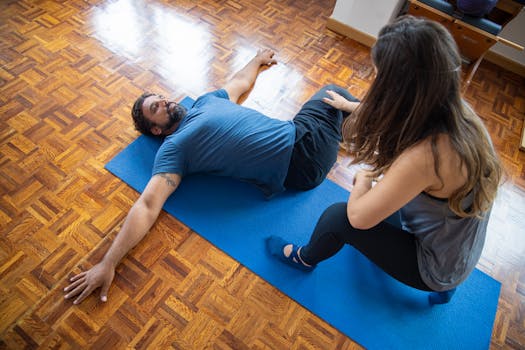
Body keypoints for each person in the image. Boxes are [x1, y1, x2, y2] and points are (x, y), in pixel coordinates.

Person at [63, 48, 359, 304]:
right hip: (301, 159)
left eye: (162, 98)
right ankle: (360, 132)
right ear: (155, 129)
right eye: (157, 108)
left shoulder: (204, 102)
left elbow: (238, 83)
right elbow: (147, 205)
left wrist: (256, 60)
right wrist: (107, 263)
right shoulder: (174, 149)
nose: (166, 102)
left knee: (333, 99)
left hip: (300, 136)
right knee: (335, 93)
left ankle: (348, 132)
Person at [267, 16, 502, 303]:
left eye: (379, 76)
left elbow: (359, 218)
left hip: (431, 266)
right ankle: (446, 289)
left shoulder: (427, 156)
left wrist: (365, 179)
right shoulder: (461, 117)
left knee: (339, 217)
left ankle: (302, 259)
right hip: (459, 250)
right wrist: (349, 106)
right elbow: (395, 113)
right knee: (382, 203)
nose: (375, 82)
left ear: (399, 89)